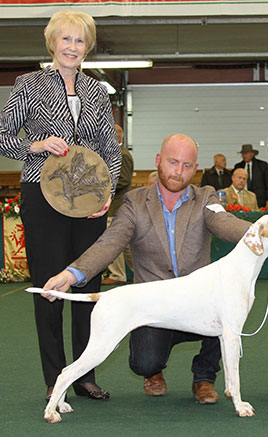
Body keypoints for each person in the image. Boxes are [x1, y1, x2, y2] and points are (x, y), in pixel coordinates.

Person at [42, 134, 250, 404]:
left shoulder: (205, 198)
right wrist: (70, 275)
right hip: (154, 308)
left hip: (199, 305)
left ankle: (204, 377)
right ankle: (152, 372)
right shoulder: (135, 203)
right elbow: (109, 243)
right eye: (173, 162)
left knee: (227, 308)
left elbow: (225, 223)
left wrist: (262, 231)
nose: (178, 171)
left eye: (187, 165)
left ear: (195, 169)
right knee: (144, 361)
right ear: (158, 161)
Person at [0, 10, 121, 402]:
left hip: (89, 201)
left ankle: (85, 375)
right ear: (52, 43)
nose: (72, 47)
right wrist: (36, 145)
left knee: (87, 287)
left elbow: (110, 148)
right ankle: (56, 377)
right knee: (50, 289)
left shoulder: (98, 92)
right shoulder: (28, 85)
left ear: (88, 47)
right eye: (65, 39)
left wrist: (108, 193)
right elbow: (2, 137)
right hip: (42, 195)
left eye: (80, 40)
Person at [102, 124, 134, 286]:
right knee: (125, 244)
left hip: (117, 205)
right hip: (113, 205)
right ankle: (137, 272)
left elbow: (124, 181)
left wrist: (103, 186)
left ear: (118, 136)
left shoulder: (123, 155)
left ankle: (118, 274)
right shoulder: (113, 154)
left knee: (114, 240)